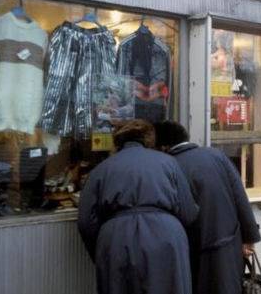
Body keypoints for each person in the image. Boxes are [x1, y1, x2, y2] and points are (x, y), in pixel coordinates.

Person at [78, 120, 199, 294]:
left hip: (116, 240)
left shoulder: (101, 169)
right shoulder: (169, 163)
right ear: (149, 140)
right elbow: (189, 212)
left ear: (117, 142)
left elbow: (85, 221)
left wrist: (103, 247)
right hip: (166, 237)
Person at [153, 121, 261, 294]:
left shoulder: (168, 167)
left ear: (163, 147)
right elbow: (240, 197)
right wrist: (249, 237)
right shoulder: (216, 155)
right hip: (229, 246)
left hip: (193, 251)